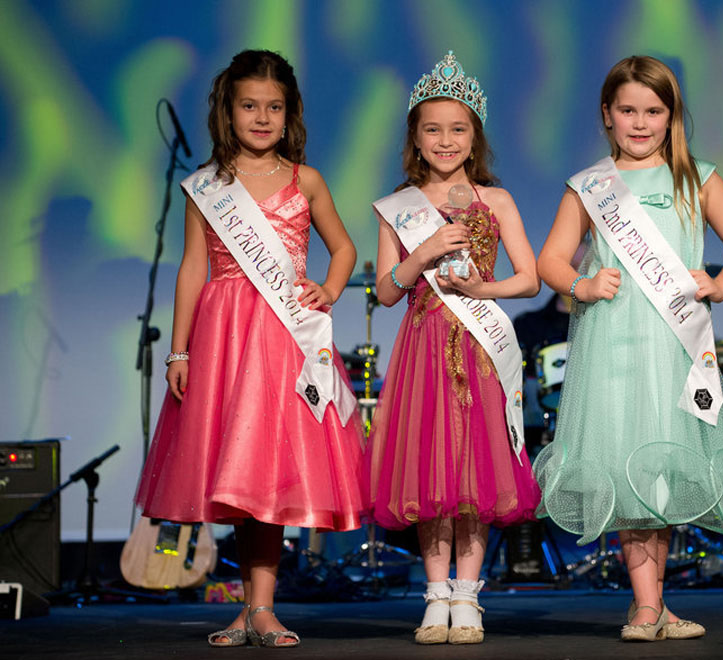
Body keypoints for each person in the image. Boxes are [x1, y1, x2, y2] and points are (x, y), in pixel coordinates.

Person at [533, 55, 723, 642]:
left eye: (654, 111)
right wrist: (582, 285)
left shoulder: (698, 178)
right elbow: (549, 261)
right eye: (628, 111)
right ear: (607, 115)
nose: (640, 123)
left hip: (675, 347)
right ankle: (647, 608)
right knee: (626, 468)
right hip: (613, 345)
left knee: (660, 472)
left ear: (671, 116)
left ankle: (653, 606)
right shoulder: (589, 186)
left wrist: (721, 283)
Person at [134, 49, 364, 648]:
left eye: (274, 107)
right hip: (224, 336)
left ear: (289, 115)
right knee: (235, 472)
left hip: (286, 336)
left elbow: (342, 248)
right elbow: (191, 270)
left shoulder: (305, 179)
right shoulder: (206, 187)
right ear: (227, 111)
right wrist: (178, 352)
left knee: (271, 470)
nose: (261, 117)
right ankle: (250, 608)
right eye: (249, 106)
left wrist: (329, 290)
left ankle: (262, 607)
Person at [364, 51, 541, 645]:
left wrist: (479, 287)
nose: (446, 140)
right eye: (433, 129)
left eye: (458, 128)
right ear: (415, 136)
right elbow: (387, 292)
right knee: (431, 475)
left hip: (481, 347)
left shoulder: (499, 202)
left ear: (475, 135)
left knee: (475, 473)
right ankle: (434, 595)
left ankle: (469, 598)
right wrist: (423, 252)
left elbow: (530, 279)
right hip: (423, 346)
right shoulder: (398, 207)